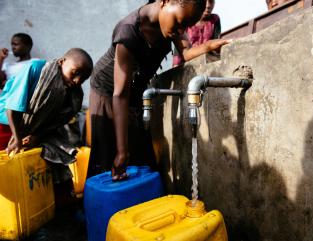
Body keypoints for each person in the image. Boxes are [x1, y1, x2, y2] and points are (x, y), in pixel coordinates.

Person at [88, 0, 231, 181]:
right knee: (109, 154)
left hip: (135, 90)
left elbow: (186, 53)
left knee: (142, 153)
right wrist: (122, 152)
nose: (181, 31)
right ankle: (103, 204)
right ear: (165, 2)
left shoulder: (172, 23)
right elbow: (120, 94)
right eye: (179, 23)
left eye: (185, 26)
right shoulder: (129, 31)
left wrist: (208, 46)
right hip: (109, 90)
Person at [0, 48, 93, 155]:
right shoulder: (36, 68)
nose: (77, 80)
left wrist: (37, 137)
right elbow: (12, 106)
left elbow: (56, 122)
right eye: (75, 73)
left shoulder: (73, 94)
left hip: (30, 132)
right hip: (5, 123)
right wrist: (17, 139)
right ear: (62, 62)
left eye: (83, 78)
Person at [173, 0, 221, 66]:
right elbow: (179, 48)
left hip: (207, 63)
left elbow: (216, 45)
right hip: (188, 65)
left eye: (211, 1)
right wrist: (176, 66)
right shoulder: (187, 19)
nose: (208, 6)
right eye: (204, 1)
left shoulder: (215, 19)